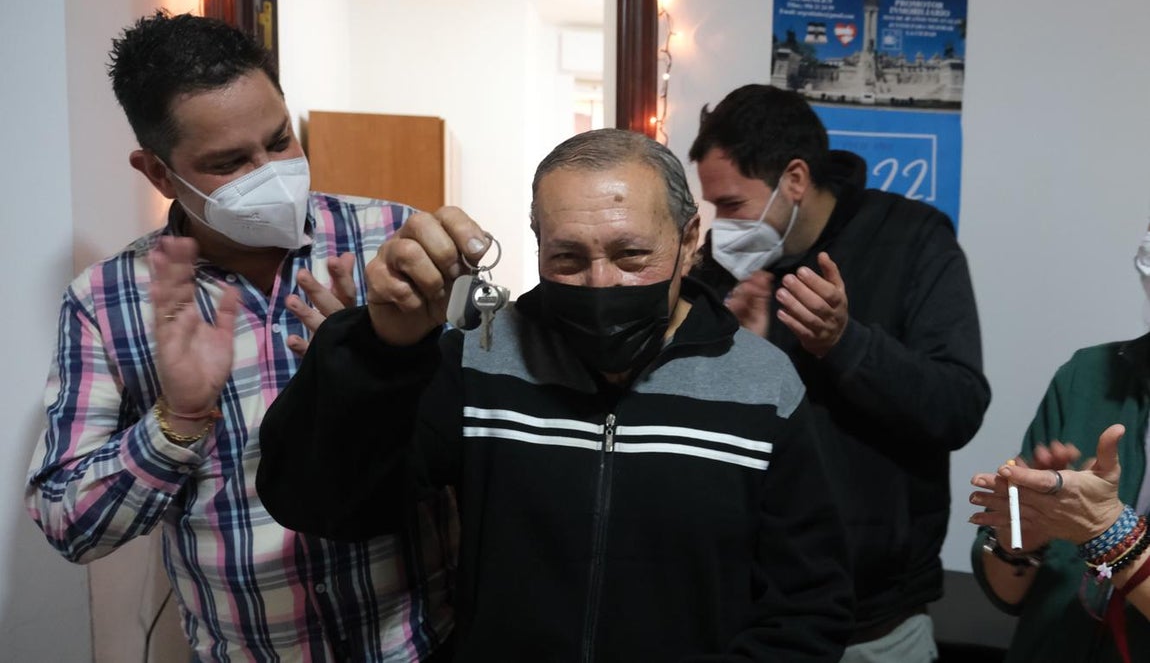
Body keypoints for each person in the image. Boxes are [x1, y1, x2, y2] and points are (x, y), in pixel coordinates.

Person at [256, 129, 855, 660]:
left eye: (632, 255)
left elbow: (808, 602)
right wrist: (382, 348)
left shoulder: (762, 382)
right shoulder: (480, 358)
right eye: (567, 257)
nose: (601, 282)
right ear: (537, 243)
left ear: (688, 237)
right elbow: (327, 503)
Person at [24, 11, 454, 661]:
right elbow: (67, 521)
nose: (271, 171)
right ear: (159, 173)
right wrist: (177, 422)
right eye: (229, 162)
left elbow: (474, 440)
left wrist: (382, 367)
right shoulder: (108, 302)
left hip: (422, 640)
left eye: (281, 140)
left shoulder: (390, 241)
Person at [688, 84, 990, 661]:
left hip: (875, 622)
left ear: (794, 180)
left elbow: (957, 405)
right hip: (743, 616)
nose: (719, 226)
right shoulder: (717, 269)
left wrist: (843, 342)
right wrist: (738, 360)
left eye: (730, 205)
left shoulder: (913, 239)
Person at [969, 335, 1150, 661]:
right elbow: (1006, 592)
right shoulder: (1089, 373)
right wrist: (1021, 540)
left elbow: (1101, 526)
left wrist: (1108, 531)